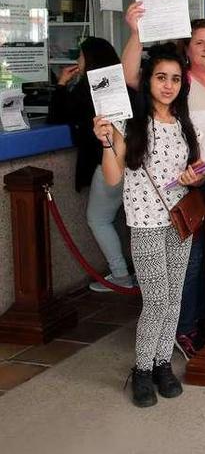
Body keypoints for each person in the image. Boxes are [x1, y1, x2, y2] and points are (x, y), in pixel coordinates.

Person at [122, 4, 205, 358]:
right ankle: (182, 332)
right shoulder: (177, 81)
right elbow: (130, 77)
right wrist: (135, 32)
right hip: (176, 189)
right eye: (199, 42)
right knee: (190, 266)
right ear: (186, 48)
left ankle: (202, 324)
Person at [92, 45, 204, 407]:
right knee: (155, 300)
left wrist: (194, 178)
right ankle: (141, 370)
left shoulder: (186, 125)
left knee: (173, 299)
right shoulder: (132, 124)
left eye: (174, 79)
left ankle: (161, 365)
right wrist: (107, 142)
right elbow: (112, 177)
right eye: (161, 78)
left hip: (178, 220)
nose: (168, 86)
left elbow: (194, 174)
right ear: (147, 81)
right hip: (145, 223)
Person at [49, 37, 134, 293]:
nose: (78, 62)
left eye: (81, 56)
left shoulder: (87, 89)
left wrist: (62, 84)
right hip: (133, 164)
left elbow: (56, 117)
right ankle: (139, 272)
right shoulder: (125, 86)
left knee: (98, 219)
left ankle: (120, 274)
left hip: (107, 163)